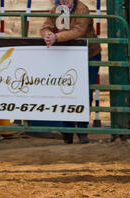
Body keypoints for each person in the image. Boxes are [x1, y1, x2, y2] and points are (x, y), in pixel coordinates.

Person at [40, 0, 101, 144]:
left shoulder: (82, 9)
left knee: (84, 92)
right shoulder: (56, 10)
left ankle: (81, 129)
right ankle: (67, 131)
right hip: (66, 56)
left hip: (88, 54)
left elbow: (79, 31)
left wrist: (56, 37)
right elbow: (45, 27)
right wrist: (47, 34)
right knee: (64, 92)